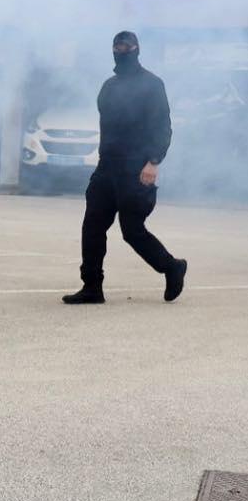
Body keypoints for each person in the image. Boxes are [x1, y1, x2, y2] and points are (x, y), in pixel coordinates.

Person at [63, 31, 186, 304]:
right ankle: (92, 287)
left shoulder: (152, 84)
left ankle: (172, 266)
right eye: (117, 46)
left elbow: (163, 127)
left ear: (137, 49)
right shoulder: (109, 86)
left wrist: (153, 161)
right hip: (107, 167)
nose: (121, 50)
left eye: (126, 46)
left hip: (137, 168)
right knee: (92, 226)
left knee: (132, 230)